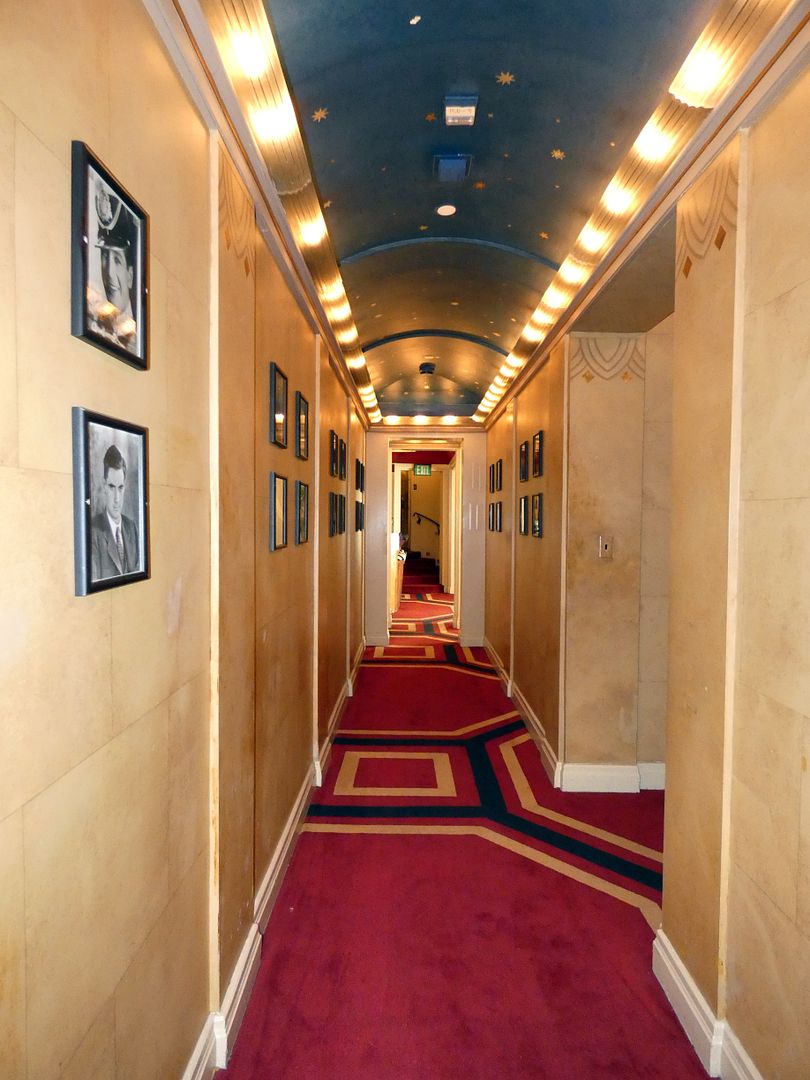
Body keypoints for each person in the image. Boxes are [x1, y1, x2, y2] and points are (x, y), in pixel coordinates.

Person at [88, 179, 138, 352]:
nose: (109, 272)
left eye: (117, 260)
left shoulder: (135, 342)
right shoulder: (96, 321)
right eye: (104, 256)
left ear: (130, 275)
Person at [91, 444, 139, 581]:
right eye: (112, 487)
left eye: (120, 487)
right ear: (104, 486)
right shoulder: (93, 531)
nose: (117, 499)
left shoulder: (131, 527)